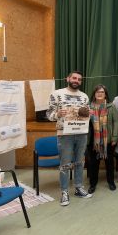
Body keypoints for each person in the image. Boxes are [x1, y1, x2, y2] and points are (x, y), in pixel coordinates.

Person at [46, 71, 92, 206]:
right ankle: (64, 192)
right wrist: (58, 113)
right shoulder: (56, 94)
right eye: (74, 78)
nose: (76, 80)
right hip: (65, 134)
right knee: (65, 163)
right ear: (68, 78)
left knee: (79, 162)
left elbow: (85, 113)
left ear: (81, 82)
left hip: (81, 133)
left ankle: (78, 187)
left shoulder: (84, 97)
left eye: (79, 79)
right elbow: (49, 114)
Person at [87, 85, 118, 194]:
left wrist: (115, 137)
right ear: (94, 94)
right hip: (93, 141)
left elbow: (116, 122)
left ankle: (111, 182)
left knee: (109, 163)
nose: (99, 93)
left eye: (102, 92)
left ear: (105, 94)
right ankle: (93, 184)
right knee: (93, 163)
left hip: (108, 141)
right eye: (97, 92)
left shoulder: (111, 107)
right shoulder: (89, 107)